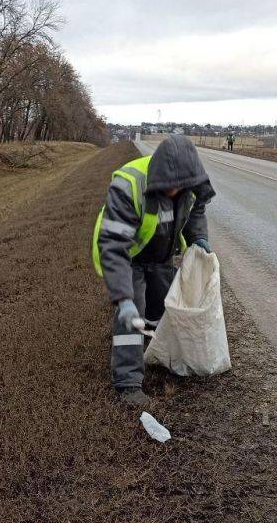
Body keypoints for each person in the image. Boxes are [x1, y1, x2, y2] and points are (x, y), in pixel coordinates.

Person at [91, 136, 215, 405]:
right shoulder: (128, 186)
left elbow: (196, 211)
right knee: (132, 315)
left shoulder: (191, 183)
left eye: (179, 188)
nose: (174, 192)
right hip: (128, 255)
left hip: (161, 256)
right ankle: (128, 383)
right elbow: (113, 246)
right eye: (169, 188)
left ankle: (155, 355)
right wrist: (123, 298)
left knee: (161, 311)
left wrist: (198, 237)